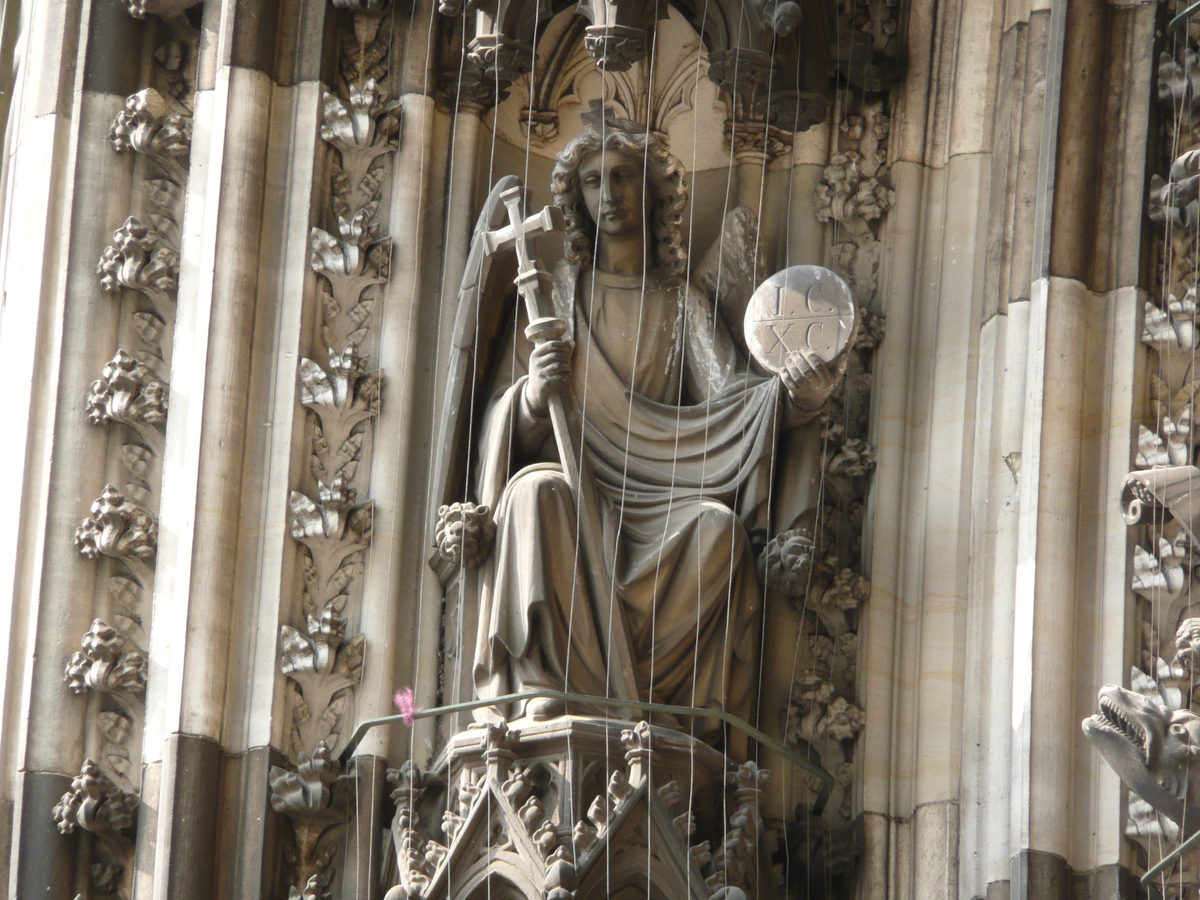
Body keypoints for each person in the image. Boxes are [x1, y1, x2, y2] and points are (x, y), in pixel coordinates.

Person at [470, 110, 843, 737]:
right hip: (577, 490)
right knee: (533, 492)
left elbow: (731, 405)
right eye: (593, 182)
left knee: (719, 530)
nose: (608, 195)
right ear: (576, 198)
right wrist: (534, 394)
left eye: (622, 178)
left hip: (664, 498)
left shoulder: (678, 305)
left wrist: (797, 397)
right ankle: (548, 684)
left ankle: (667, 716)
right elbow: (501, 425)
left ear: (654, 193)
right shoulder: (553, 296)